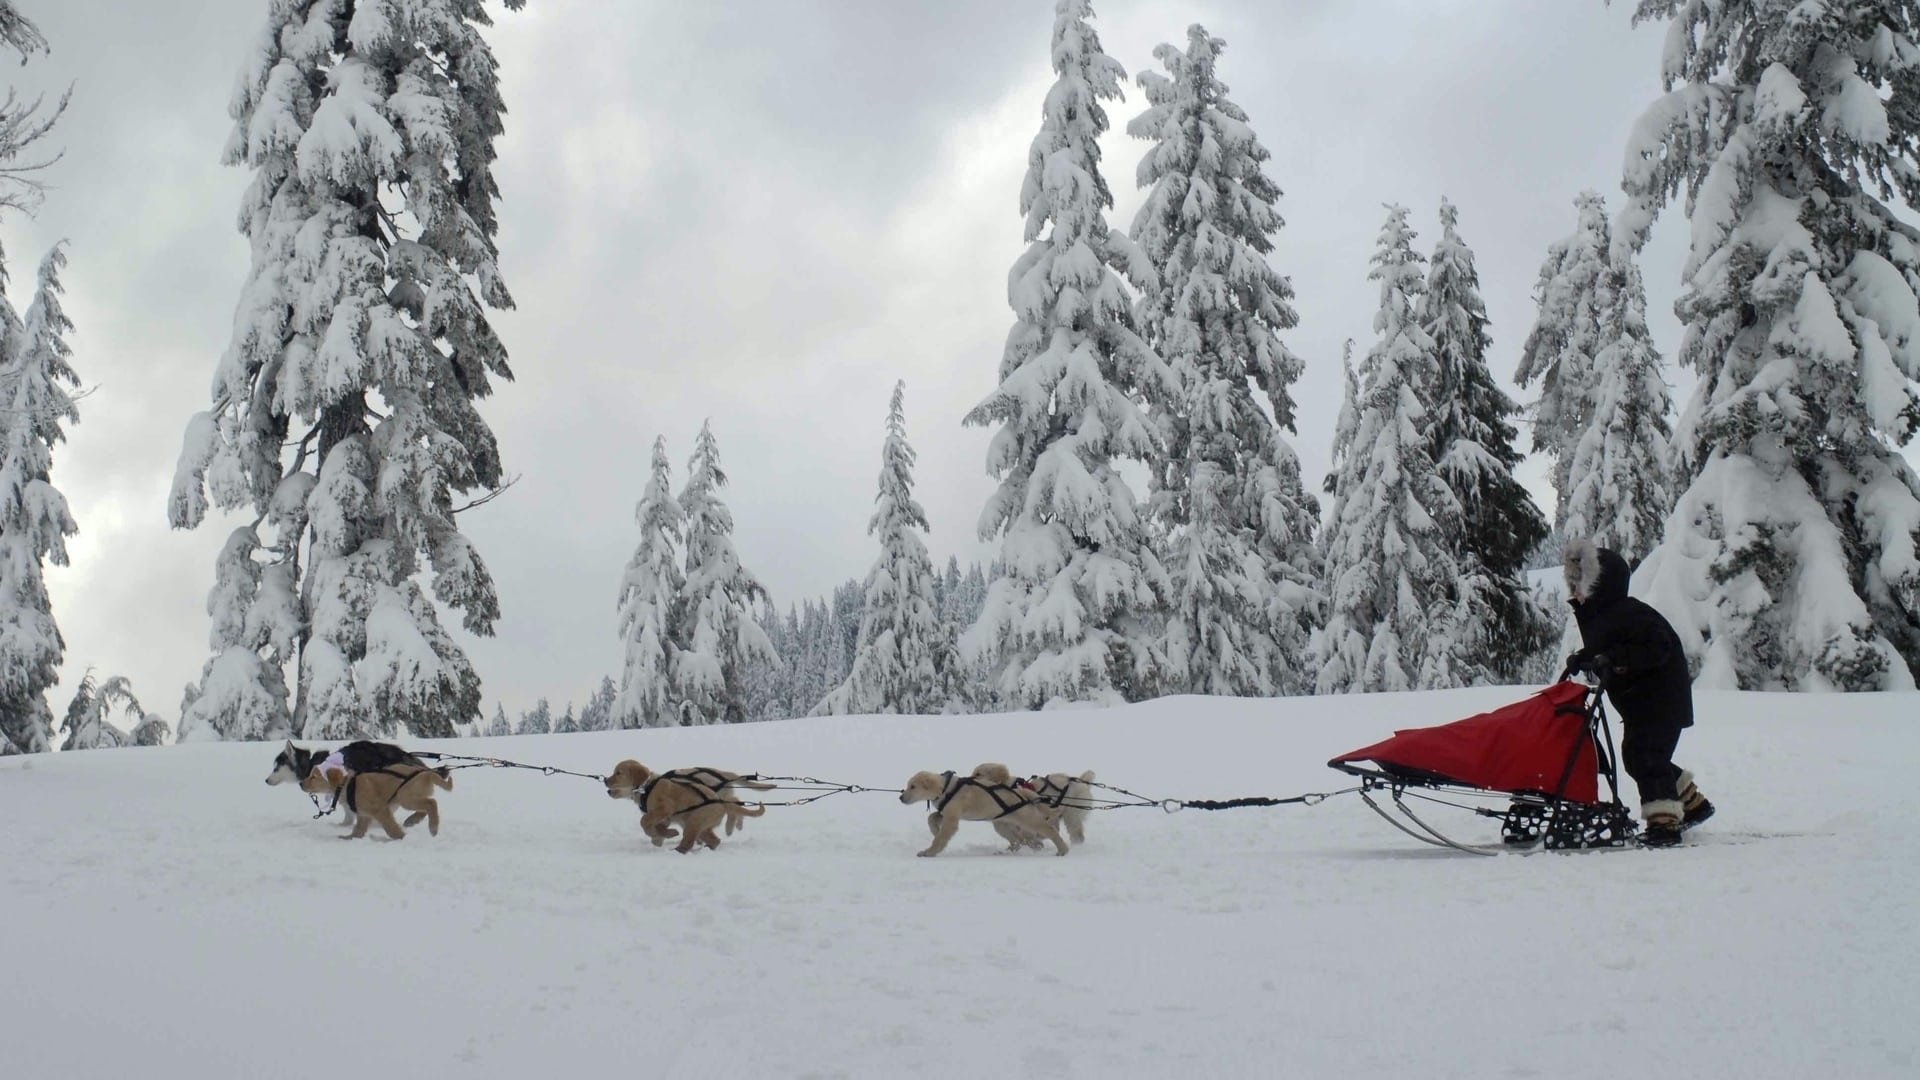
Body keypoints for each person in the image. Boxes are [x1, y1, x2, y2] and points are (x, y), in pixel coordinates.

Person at [1562, 539, 1714, 847]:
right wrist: (1586, 657)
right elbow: (1610, 647)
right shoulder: (1602, 615)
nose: (1575, 592)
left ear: (1600, 585)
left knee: (1646, 756)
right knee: (1640, 756)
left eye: (1580, 584)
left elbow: (1655, 646)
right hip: (1641, 703)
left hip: (1660, 700)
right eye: (1573, 584)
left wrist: (1616, 659)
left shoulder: (1630, 613)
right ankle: (1693, 804)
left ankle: (1664, 824)